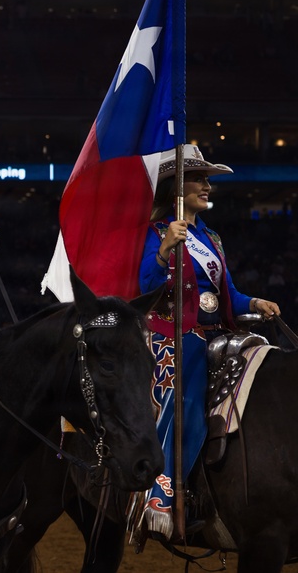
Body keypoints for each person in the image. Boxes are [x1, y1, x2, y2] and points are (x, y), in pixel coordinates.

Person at [138, 145, 280, 539]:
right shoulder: (155, 232)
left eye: (207, 180)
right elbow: (146, 287)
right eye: (200, 179)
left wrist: (253, 301)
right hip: (173, 335)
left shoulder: (211, 236)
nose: (208, 187)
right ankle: (162, 489)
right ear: (176, 188)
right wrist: (166, 248)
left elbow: (226, 293)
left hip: (217, 331)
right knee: (190, 386)